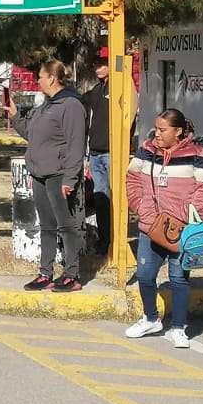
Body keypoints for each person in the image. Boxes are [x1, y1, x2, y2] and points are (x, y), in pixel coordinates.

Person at [126, 107, 203, 347]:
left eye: (163, 130)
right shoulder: (147, 150)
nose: (157, 133)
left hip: (182, 230)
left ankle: (178, 327)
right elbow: (133, 178)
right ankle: (150, 318)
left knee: (178, 279)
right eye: (156, 128)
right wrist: (141, 208)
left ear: (178, 131)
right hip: (150, 226)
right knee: (145, 276)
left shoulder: (199, 154)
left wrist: (188, 218)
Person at [12, 60, 89, 293]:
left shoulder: (71, 104)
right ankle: (45, 272)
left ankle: (72, 275)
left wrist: (70, 179)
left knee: (67, 225)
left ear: (52, 79)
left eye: (40, 77)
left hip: (59, 174)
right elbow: (32, 134)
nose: (38, 81)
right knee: (46, 225)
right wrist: (16, 117)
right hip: (40, 174)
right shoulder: (45, 105)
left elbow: (76, 145)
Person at [83, 47, 113, 252]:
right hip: (95, 152)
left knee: (114, 199)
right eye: (96, 64)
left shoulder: (120, 88)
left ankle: (113, 240)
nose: (98, 68)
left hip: (112, 152)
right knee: (101, 198)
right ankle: (104, 241)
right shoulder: (97, 89)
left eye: (103, 64)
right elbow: (79, 100)